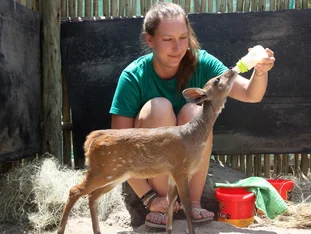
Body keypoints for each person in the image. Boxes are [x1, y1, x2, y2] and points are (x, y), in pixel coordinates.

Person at [109, 1, 275, 229]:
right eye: (168, 39)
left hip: (187, 164)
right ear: (150, 40)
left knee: (195, 111)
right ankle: (162, 202)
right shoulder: (133, 76)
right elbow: (118, 145)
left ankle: (193, 202)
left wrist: (260, 71)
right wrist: (147, 196)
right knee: (159, 108)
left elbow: (250, 94)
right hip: (145, 176)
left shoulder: (201, 61)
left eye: (183, 37)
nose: (177, 47)